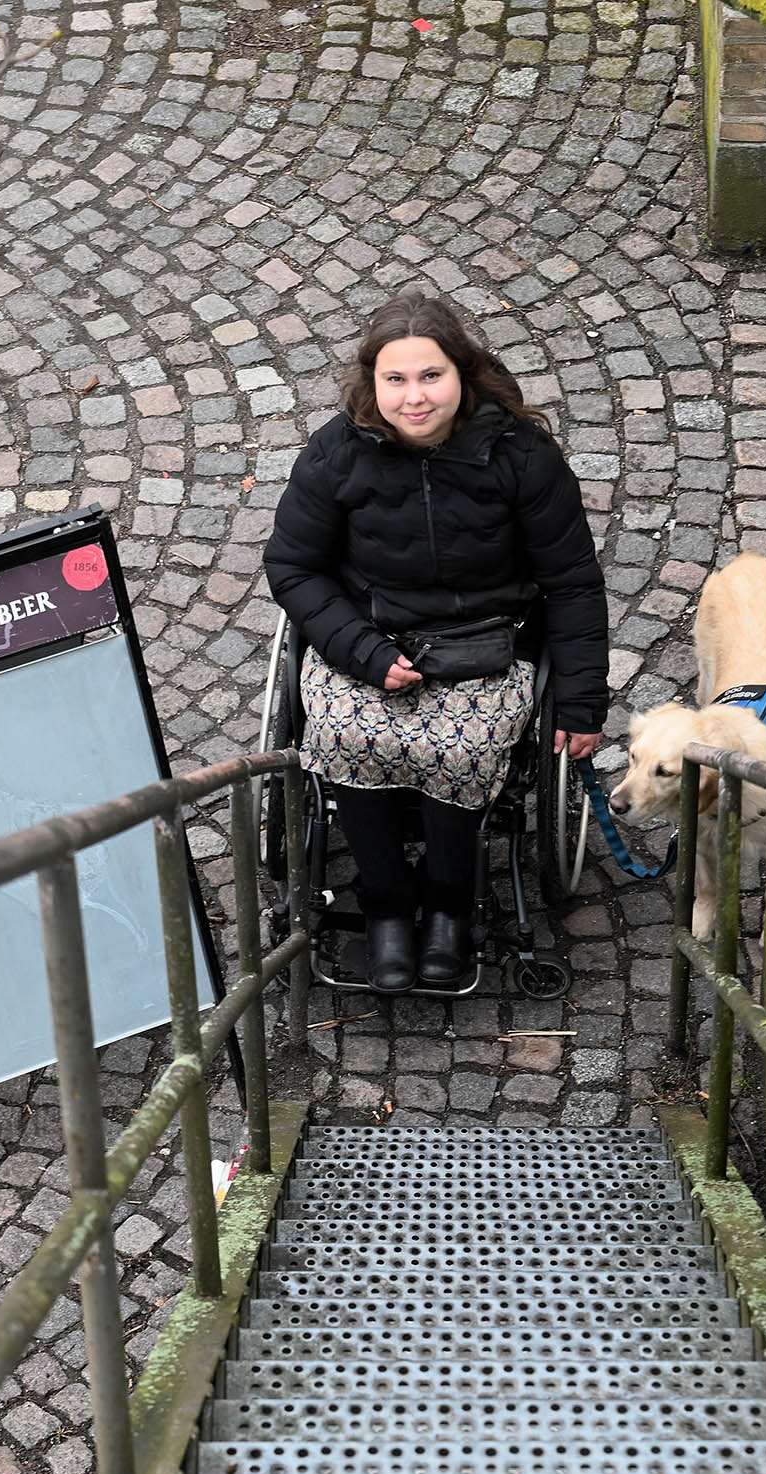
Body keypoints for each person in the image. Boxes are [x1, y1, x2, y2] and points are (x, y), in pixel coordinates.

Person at [263, 290, 609, 993]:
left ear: (463, 374)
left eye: (430, 377)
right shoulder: (335, 454)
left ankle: (451, 904)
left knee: (464, 744)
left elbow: (572, 581)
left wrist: (580, 704)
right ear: (372, 383)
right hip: (365, 637)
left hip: (484, 644)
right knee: (343, 731)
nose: (414, 397)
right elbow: (293, 566)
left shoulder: (521, 457)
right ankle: (388, 906)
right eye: (396, 380)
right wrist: (361, 650)